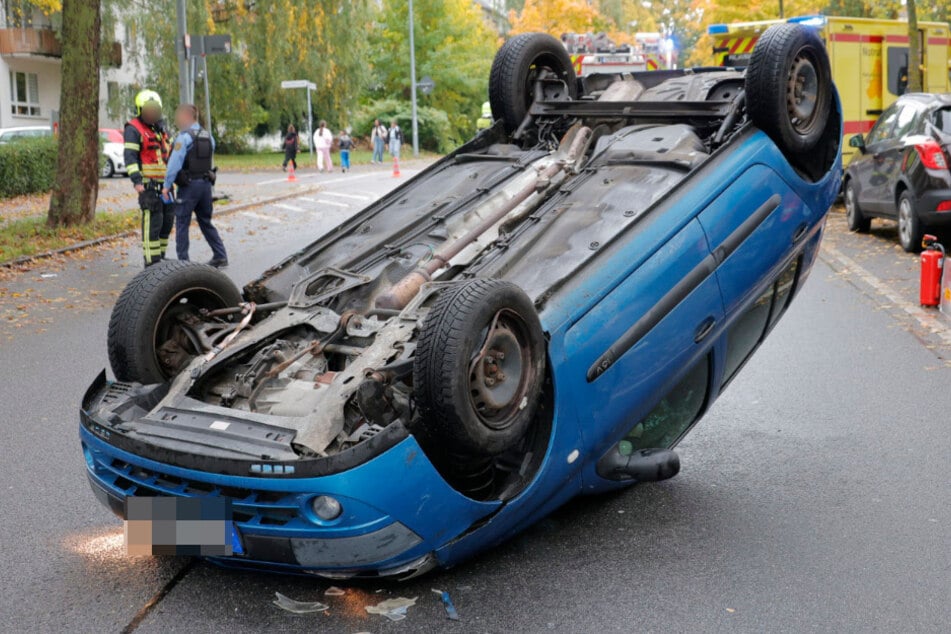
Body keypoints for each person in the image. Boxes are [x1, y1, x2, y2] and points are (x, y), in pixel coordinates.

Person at [162, 104, 228, 268]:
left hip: (189, 187)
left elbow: (174, 164)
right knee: (205, 221)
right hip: (205, 186)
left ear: (187, 116)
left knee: (182, 223)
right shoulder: (208, 136)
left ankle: (183, 261)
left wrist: (166, 185)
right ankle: (220, 255)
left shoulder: (184, 137)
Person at [124, 89, 172, 267]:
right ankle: (151, 263)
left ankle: (160, 258)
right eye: (148, 109)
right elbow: (130, 157)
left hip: (166, 186)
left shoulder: (161, 129)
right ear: (140, 110)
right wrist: (137, 181)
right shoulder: (134, 129)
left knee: (166, 223)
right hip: (148, 186)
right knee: (153, 224)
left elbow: (170, 151)